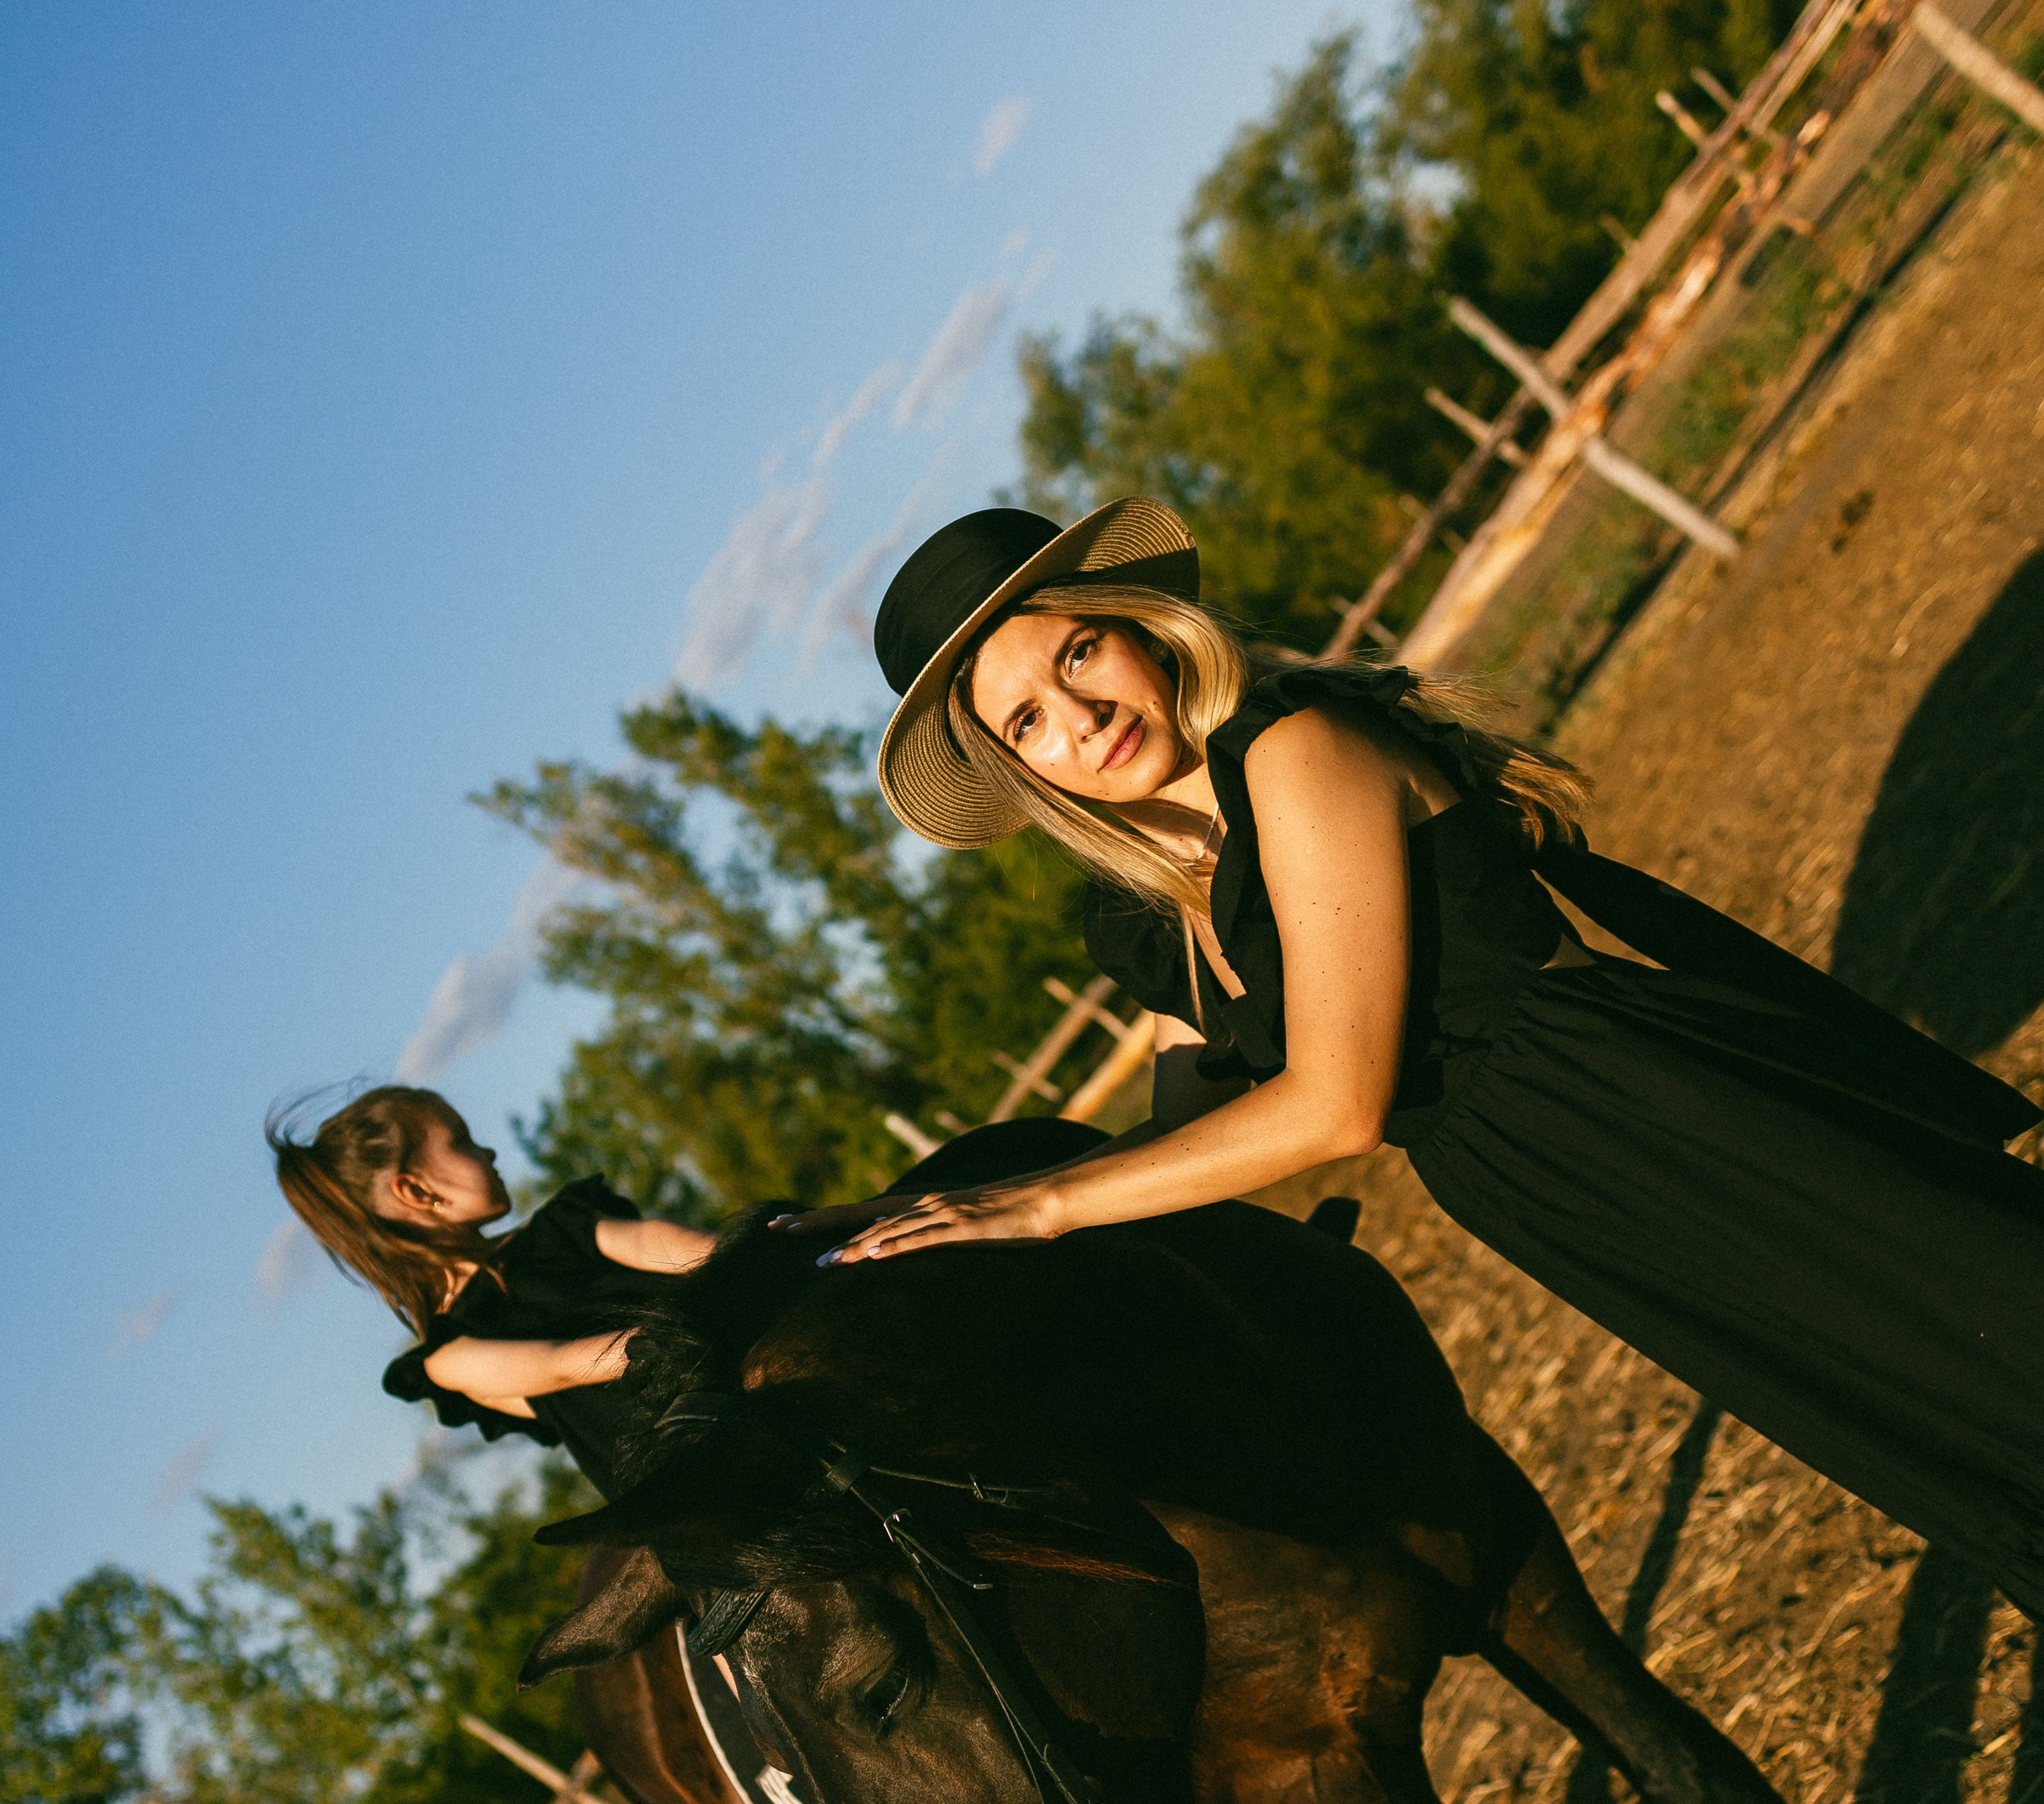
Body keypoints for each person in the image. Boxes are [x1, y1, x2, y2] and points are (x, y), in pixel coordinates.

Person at [795, 497, 2044, 1618]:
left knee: (1976, 1328)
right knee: (1896, 1419)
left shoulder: (1298, 749)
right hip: (1543, 1193)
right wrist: (847, 1238)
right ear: (1020, 767)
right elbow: (1179, 1140)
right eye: (1029, 717)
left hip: (1650, 1104)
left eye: (1079, 652)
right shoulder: (1145, 916)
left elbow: (1336, 1103)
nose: (1081, 716)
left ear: (1143, 628)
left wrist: (1044, 1206)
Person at [269, 1085, 718, 1498]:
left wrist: (744, 1246)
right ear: (418, 1190)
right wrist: (678, 1333)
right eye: (461, 1141)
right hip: (691, 1478)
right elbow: (562, 1363)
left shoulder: (563, 1227)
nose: (489, 1151)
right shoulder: (454, 1356)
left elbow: (653, 1243)